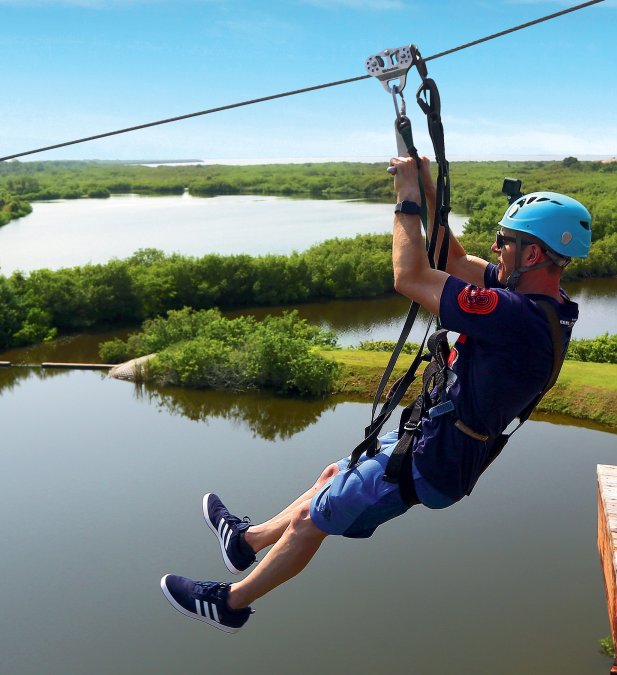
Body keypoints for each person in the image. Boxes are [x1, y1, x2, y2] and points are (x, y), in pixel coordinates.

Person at [159, 156, 591, 633]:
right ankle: (245, 542)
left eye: (505, 241)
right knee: (329, 478)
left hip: (432, 459)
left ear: (532, 255)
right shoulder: (546, 306)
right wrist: (429, 191)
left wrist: (405, 200)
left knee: (311, 519)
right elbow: (455, 263)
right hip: (431, 438)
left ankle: (230, 603)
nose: (496, 247)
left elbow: (410, 277)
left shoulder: (515, 316)